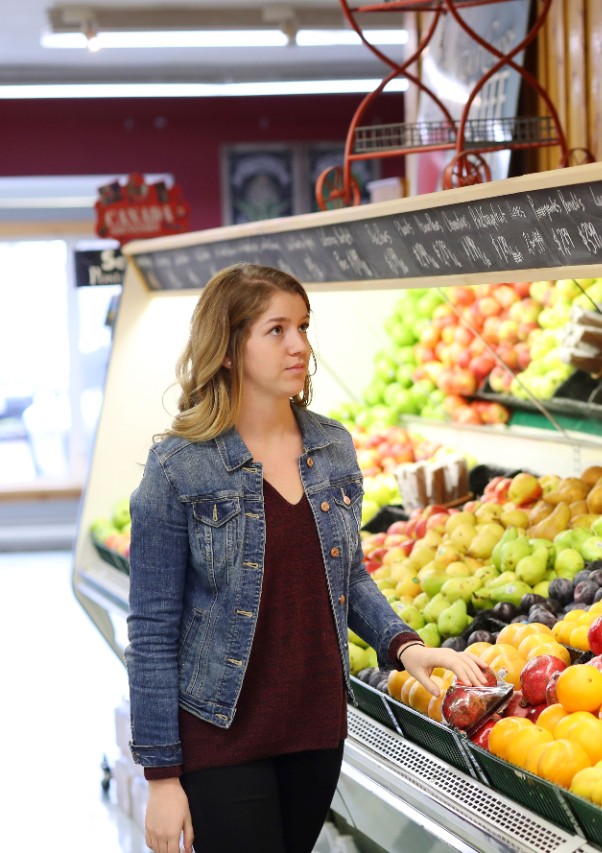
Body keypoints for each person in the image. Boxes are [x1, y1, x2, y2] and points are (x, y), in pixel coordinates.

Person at [126, 264, 490, 853]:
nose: (299, 345)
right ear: (227, 348)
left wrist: (406, 646)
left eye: (303, 326)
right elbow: (151, 630)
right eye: (276, 330)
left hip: (315, 726)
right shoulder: (177, 468)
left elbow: (346, 574)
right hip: (221, 731)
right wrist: (162, 776)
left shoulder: (332, 447)